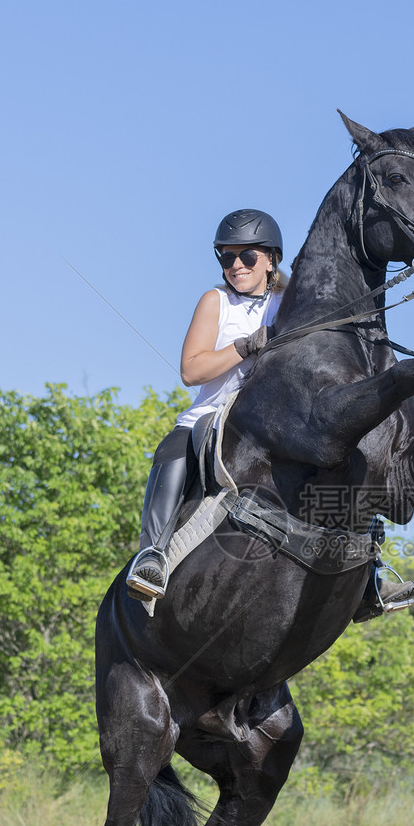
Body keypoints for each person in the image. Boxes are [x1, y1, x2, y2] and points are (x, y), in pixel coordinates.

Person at [126, 209, 286, 601]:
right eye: (227, 257)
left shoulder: (291, 299)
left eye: (247, 256)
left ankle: (370, 570)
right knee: (173, 444)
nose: (236, 265)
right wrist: (244, 346)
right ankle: (153, 553)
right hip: (212, 415)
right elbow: (191, 370)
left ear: (270, 259)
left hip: (279, 419)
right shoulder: (216, 300)